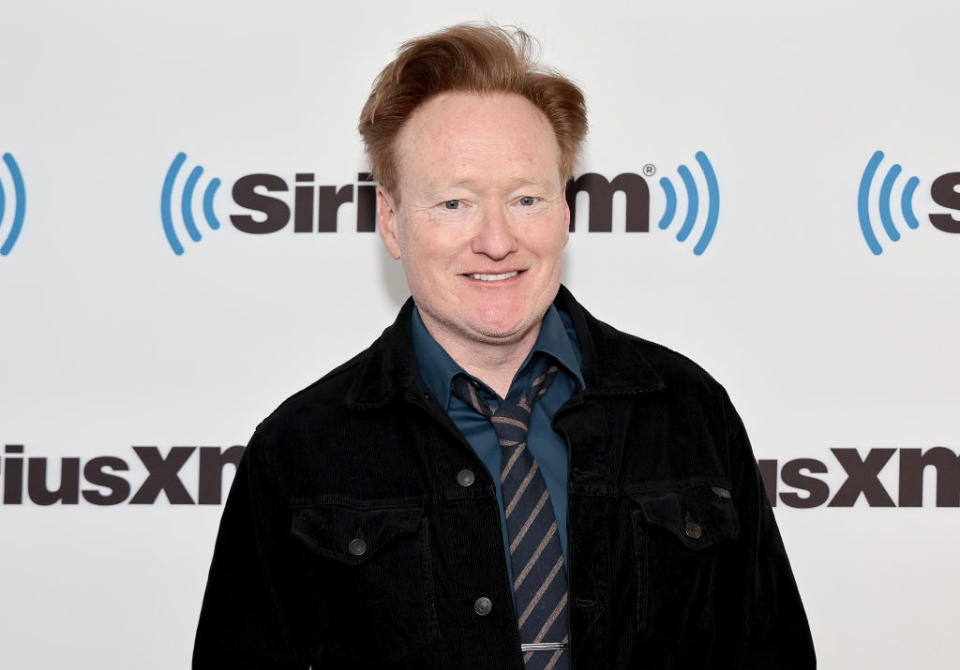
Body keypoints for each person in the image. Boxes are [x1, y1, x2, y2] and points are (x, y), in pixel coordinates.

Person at [193, 23, 815, 670]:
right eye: (455, 203)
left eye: (525, 198)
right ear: (390, 221)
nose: (496, 240)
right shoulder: (298, 451)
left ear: (566, 211)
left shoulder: (688, 414)